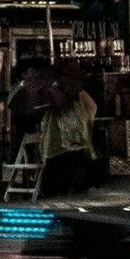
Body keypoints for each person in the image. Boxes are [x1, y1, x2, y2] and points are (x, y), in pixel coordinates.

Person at [40, 67, 100, 195]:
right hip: (77, 144)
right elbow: (93, 107)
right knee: (76, 169)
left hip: (57, 150)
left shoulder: (52, 98)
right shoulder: (78, 93)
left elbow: (45, 125)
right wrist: (87, 121)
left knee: (59, 176)